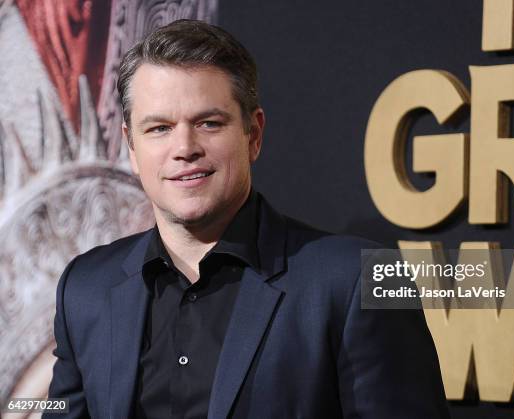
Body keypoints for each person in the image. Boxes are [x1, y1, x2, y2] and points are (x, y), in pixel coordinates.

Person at [44, 19, 449, 419]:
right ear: (131, 148)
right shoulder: (85, 289)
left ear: (253, 134)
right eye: (159, 128)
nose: (184, 147)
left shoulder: (356, 279)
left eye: (208, 123)